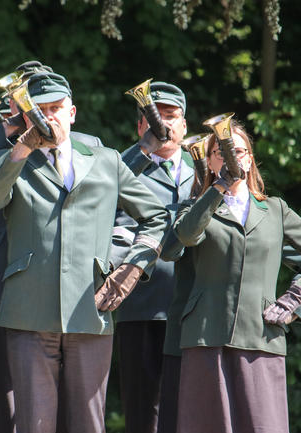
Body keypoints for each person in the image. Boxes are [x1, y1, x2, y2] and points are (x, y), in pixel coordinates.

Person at [0, 71, 170, 433]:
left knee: (87, 423)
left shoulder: (106, 159)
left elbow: (156, 217)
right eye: (41, 110)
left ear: (73, 112)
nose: (50, 116)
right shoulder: (12, 160)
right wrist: (22, 147)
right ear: (29, 117)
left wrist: (132, 268)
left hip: (89, 309)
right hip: (27, 311)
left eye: (57, 108)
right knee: (35, 422)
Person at [172, 120, 301, 433]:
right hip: (205, 337)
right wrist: (218, 187)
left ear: (250, 159)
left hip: (262, 336)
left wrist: (295, 300)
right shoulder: (195, 207)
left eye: (238, 151)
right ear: (210, 161)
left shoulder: (275, 210)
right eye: (221, 153)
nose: (232, 158)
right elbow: (185, 235)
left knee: (264, 427)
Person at [109, 82, 192, 433]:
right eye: (155, 119)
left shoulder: (202, 165)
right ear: (141, 127)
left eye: (172, 118)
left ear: (185, 125)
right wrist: (143, 151)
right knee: (144, 412)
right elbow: (102, 193)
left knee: (189, 408)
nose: (165, 126)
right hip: (140, 303)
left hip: (191, 303)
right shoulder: (123, 165)